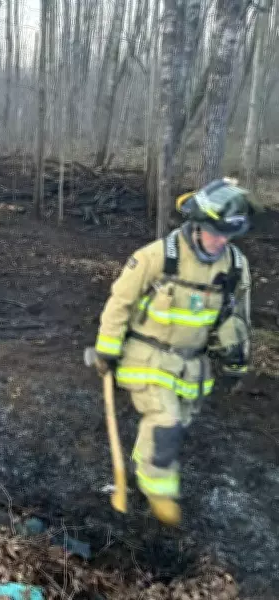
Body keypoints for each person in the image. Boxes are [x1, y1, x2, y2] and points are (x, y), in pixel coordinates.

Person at [93, 177, 254, 526]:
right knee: (165, 424)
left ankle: (141, 470)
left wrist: (237, 360)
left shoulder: (235, 267)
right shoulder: (154, 258)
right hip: (146, 358)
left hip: (192, 367)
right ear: (197, 225)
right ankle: (159, 497)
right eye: (216, 232)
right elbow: (120, 303)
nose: (221, 240)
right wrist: (107, 350)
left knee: (176, 423)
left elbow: (239, 316)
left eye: (228, 234)